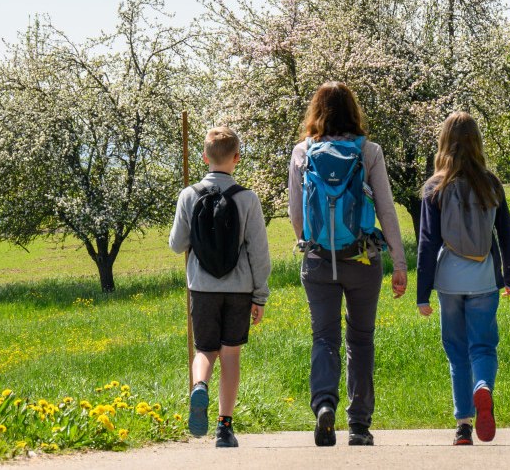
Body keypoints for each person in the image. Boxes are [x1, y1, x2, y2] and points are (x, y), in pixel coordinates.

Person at [289, 81, 408, 447]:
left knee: (324, 337)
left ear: (316, 112)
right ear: (354, 111)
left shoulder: (301, 152)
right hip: (362, 259)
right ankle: (359, 424)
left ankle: (324, 404)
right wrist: (400, 262)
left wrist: (311, 245)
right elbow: (386, 209)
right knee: (360, 339)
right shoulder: (369, 151)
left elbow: (296, 212)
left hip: (319, 260)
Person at [416, 111, 510, 446]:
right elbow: (506, 234)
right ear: (478, 143)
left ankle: (463, 425)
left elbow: (428, 242)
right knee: (483, 346)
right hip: (484, 278)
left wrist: (422, 293)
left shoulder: (435, 187)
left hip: (448, 279)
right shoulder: (491, 184)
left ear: (444, 143)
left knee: (456, 351)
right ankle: (483, 387)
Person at [169, 126, 271, 448]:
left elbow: (176, 244)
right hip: (239, 289)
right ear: (237, 158)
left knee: (204, 351)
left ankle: (199, 386)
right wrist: (260, 295)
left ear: (204, 157)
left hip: (201, 287)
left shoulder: (189, 195)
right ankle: (224, 428)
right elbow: (259, 253)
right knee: (231, 354)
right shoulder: (248, 199)